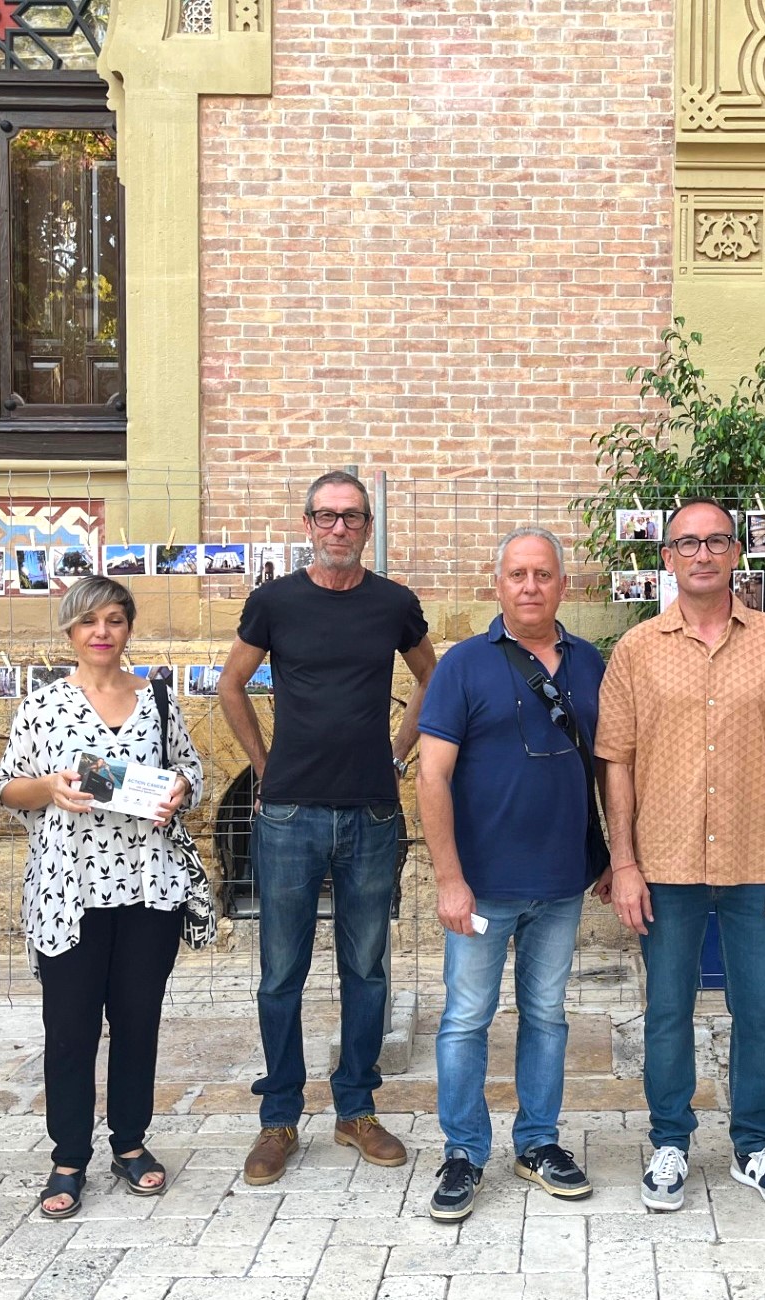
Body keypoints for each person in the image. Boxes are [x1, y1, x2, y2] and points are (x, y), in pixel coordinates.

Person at [596, 497, 765, 1215]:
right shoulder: (637, 649)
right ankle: (670, 1141)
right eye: (688, 543)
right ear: (667, 557)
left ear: (737, 553)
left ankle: (755, 1146)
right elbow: (615, 762)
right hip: (663, 865)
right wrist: (624, 862)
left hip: (758, 861)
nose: (703, 554)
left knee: (759, 1009)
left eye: (717, 541)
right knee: (666, 1009)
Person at [217, 470, 438, 1185]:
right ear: (307, 524)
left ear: (367, 527)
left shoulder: (393, 604)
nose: (338, 528)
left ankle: (356, 1109)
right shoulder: (274, 601)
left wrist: (398, 752)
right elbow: (230, 684)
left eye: (351, 517)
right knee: (281, 972)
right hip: (289, 815)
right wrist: (263, 766)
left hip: (372, 811)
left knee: (366, 970)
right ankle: (279, 1117)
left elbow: (432, 679)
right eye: (326, 516)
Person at [0, 576, 203, 1219]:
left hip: (147, 882)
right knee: (70, 1026)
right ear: (70, 631)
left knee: (138, 1021)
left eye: (114, 619)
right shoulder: (43, 706)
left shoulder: (158, 699)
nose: (102, 632)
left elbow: (190, 771)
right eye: (88, 621)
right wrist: (50, 788)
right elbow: (6, 787)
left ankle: (131, 1142)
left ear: (129, 627)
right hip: (70, 888)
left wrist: (179, 790)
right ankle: (68, 1156)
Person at [416, 527, 611, 1222]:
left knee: (548, 1016)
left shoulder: (591, 663)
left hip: (561, 883)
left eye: (543, 574)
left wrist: (615, 857)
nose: (530, 586)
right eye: (518, 574)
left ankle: (537, 1144)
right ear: (497, 584)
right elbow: (431, 778)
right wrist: (449, 879)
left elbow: (610, 768)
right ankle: (464, 1152)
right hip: (480, 887)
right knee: (466, 1019)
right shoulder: (463, 665)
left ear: (563, 585)